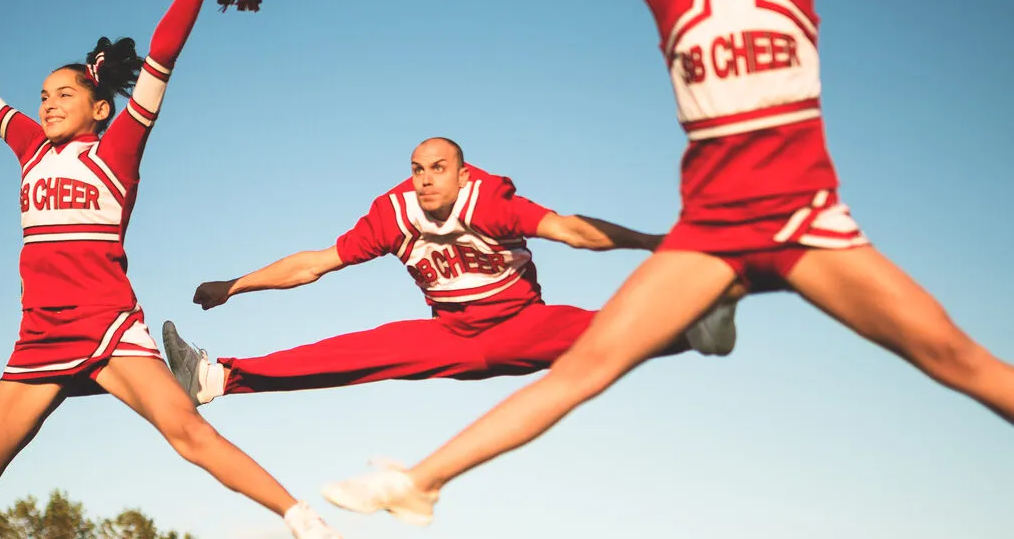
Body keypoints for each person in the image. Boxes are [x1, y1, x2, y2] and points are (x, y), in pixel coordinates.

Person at [320, 0, 1014, 525]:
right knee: (586, 366)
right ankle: (422, 482)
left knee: (950, 354)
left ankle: (715, 312)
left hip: (805, 225)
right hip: (708, 236)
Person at [0, 0, 339, 539]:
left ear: (101, 107)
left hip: (107, 328)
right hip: (40, 337)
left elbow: (164, 54)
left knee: (186, 432)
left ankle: (302, 518)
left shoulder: (118, 149)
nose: (48, 104)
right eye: (44, 96)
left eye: (65, 95)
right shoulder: (28, 147)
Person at [160, 136, 739, 408]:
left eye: (439, 168)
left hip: (519, 324)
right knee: (351, 353)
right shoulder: (392, 213)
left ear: (462, 174)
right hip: (451, 335)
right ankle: (215, 380)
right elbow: (314, 265)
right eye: (417, 169)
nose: (426, 178)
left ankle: (696, 326)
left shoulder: (491, 200)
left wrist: (656, 243)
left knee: (605, 328)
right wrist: (234, 285)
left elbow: (571, 230)